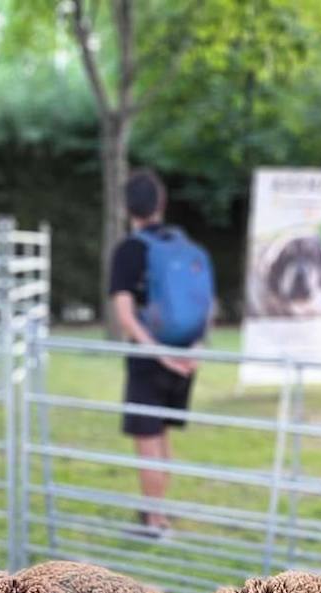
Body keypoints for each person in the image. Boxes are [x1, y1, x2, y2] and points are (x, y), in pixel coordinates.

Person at [108, 168, 212, 538]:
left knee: (148, 445)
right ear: (161, 203)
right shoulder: (185, 247)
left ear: (127, 209)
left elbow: (124, 316)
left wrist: (159, 354)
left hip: (150, 362)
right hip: (185, 359)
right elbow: (207, 305)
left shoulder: (129, 250)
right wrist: (193, 350)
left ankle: (155, 523)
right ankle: (159, 512)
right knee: (162, 438)